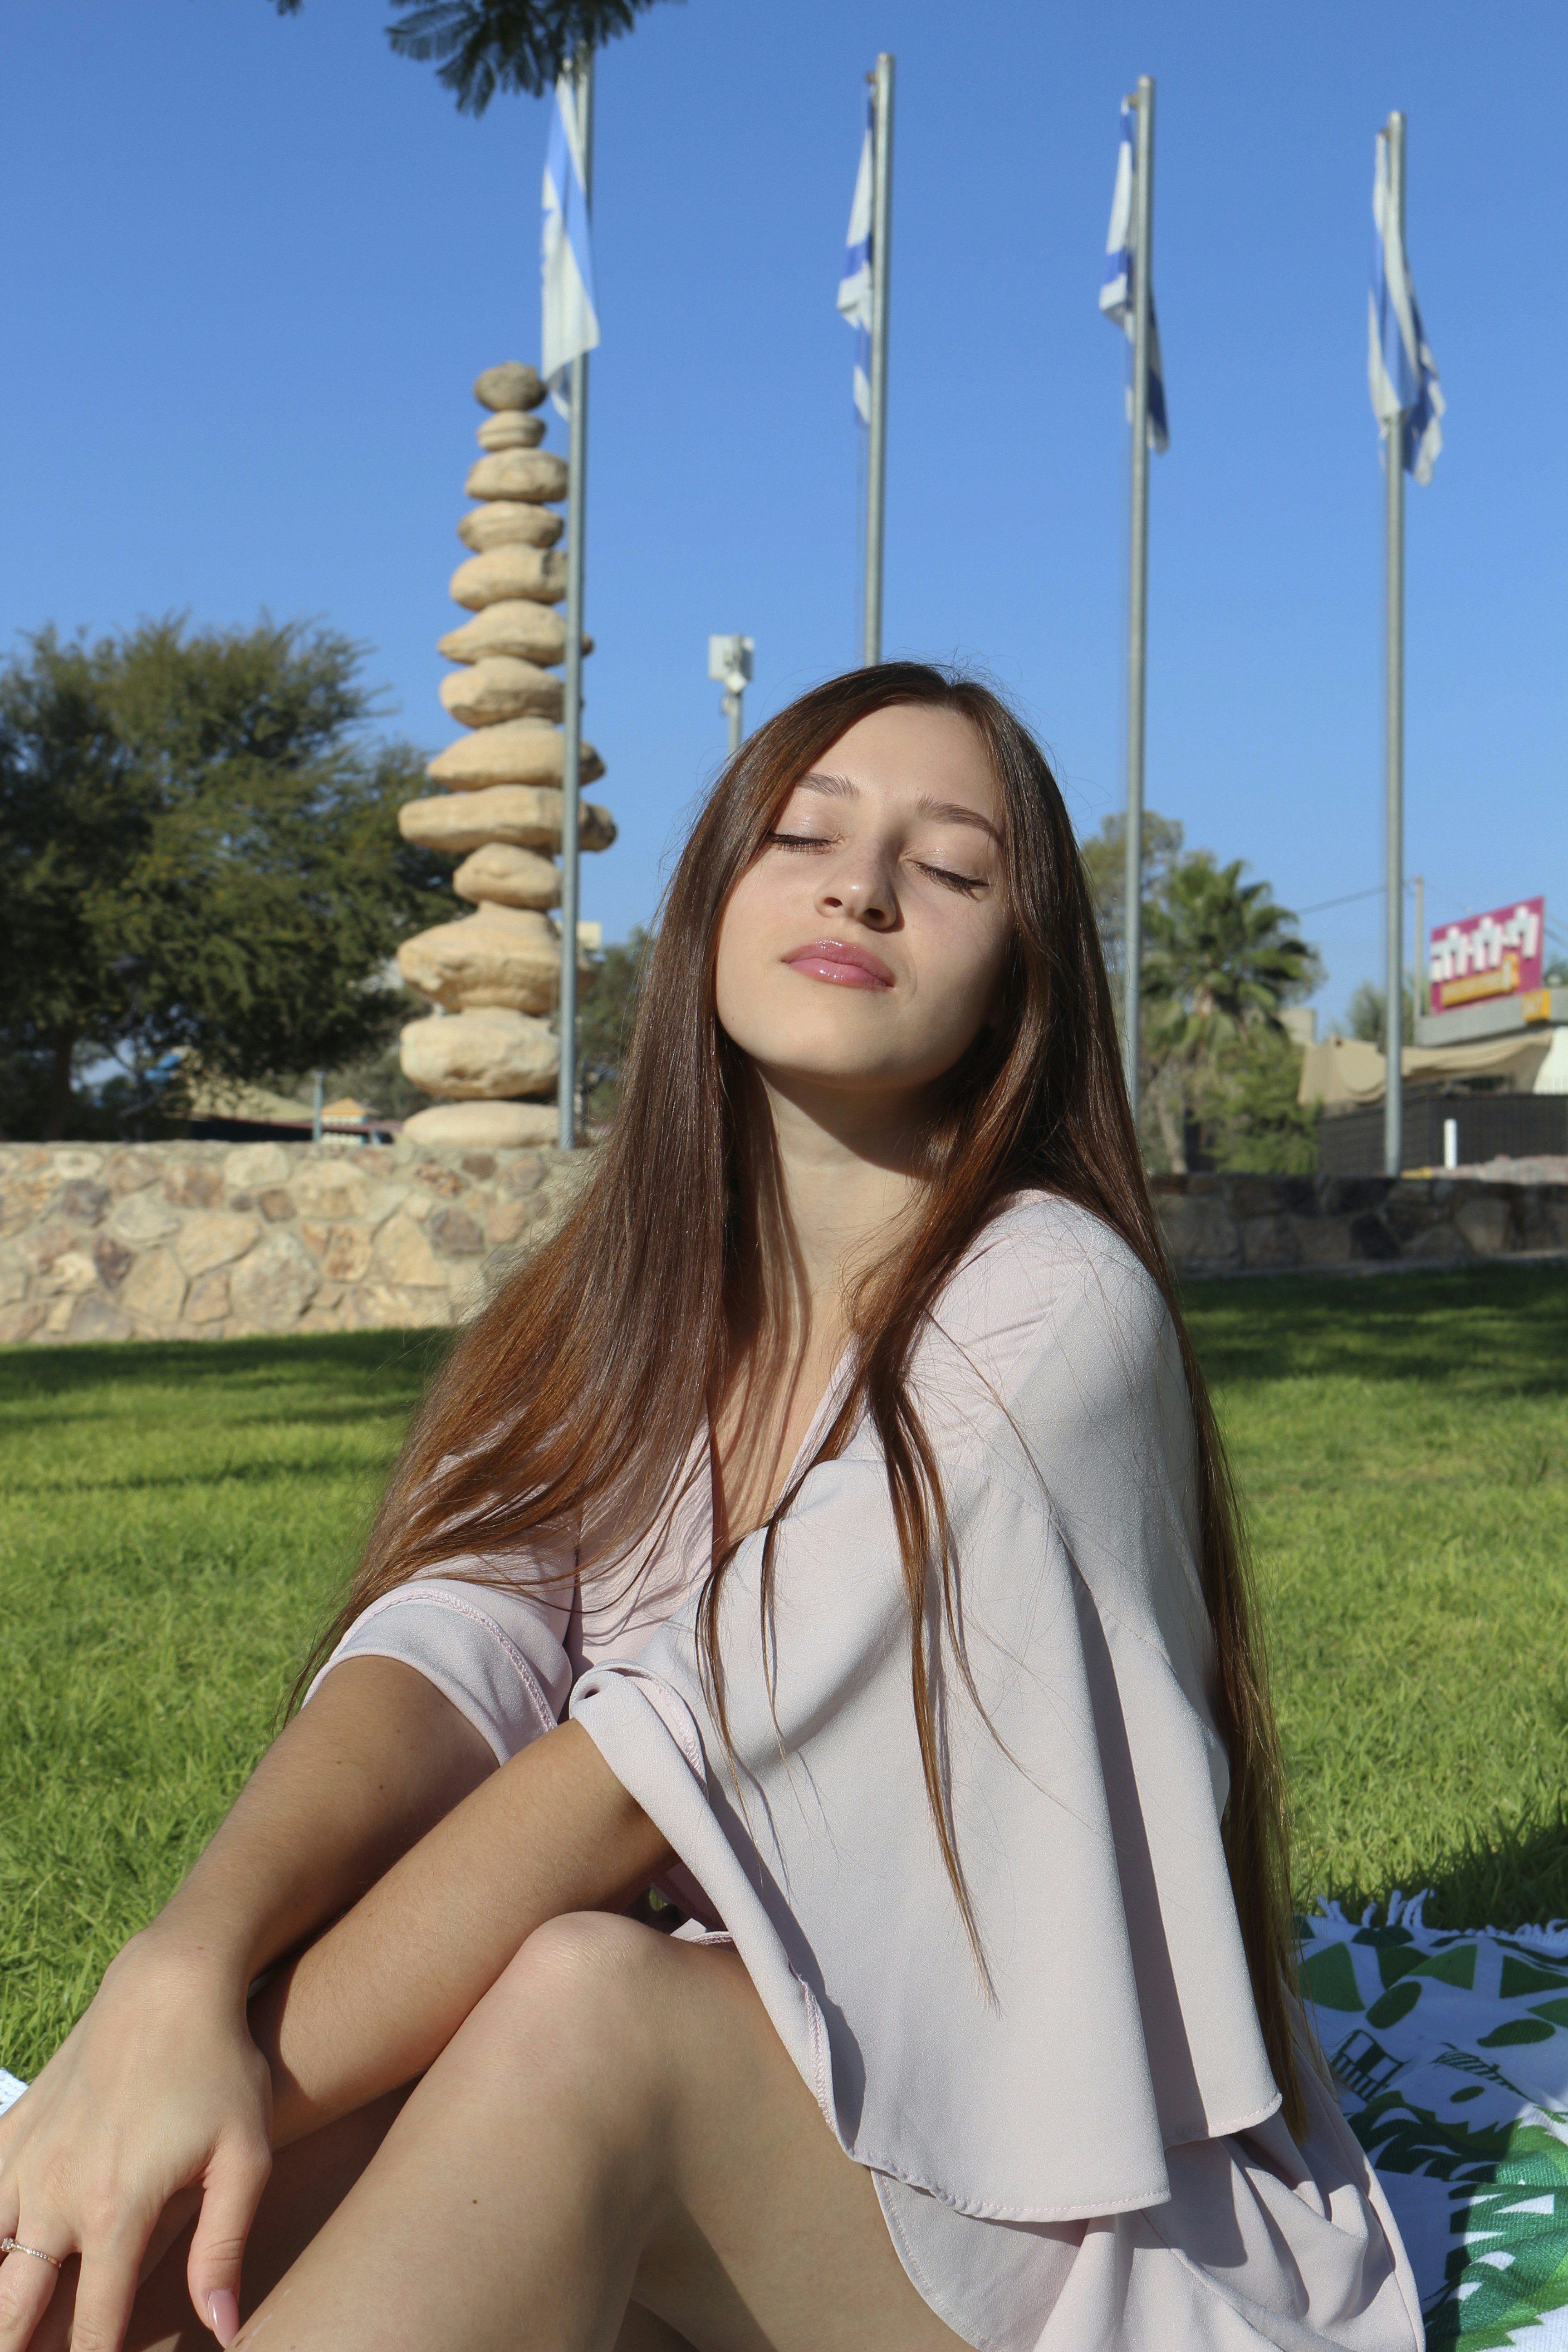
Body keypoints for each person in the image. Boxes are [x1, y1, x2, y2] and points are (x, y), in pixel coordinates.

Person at [0, 665, 1421, 2352]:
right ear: (708, 902)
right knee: (139, 2243)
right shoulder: (616, 1309)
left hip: (1072, 2240)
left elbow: (634, 1787)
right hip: (768, 2132)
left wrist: (214, 2069)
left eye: (952, 867)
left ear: (1023, 976)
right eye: (801, 833)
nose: (861, 884)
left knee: (575, 2008)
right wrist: (177, 1973)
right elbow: (456, 1641)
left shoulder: (1051, 1307)